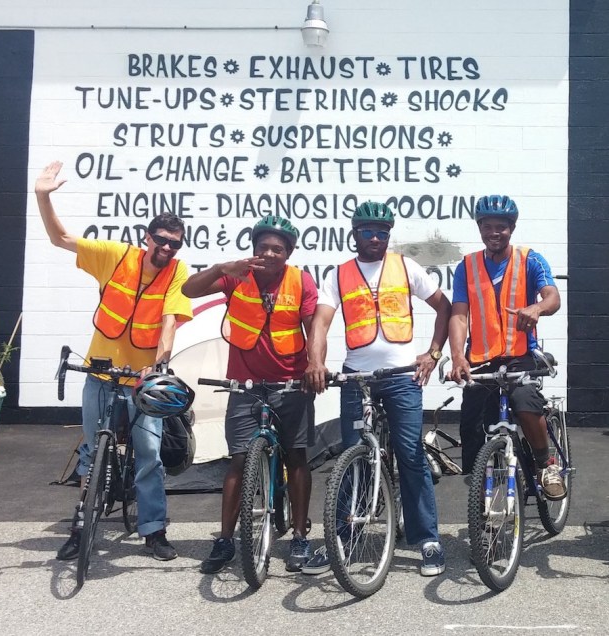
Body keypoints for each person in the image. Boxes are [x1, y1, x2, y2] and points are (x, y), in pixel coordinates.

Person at [34, 161, 193, 561]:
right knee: (91, 452)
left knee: (149, 455)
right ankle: (81, 525)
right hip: (100, 375)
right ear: (147, 237)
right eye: (161, 240)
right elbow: (61, 239)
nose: (167, 248)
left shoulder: (177, 273)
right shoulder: (115, 257)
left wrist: (157, 367)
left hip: (141, 384)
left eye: (175, 243)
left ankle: (153, 531)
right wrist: (42, 195)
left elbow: (170, 322)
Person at [302, 201, 451, 577]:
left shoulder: (406, 267)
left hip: (402, 377)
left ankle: (427, 540)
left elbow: (444, 307)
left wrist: (433, 354)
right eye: (367, 231)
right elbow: (320, 323)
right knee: (353, 458)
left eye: (382, 232)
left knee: (410, 454)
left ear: (389, 235)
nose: (375, 238)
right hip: (357, 378)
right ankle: (342, 540)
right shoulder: (338, 276)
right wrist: (316, 362)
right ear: (355, 234)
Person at [182, 216, 318, 574]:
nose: (269, 253)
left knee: (297, 458)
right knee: (239, 461)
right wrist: (220, 268)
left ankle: (301, 537)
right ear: (254, 249)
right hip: (245, 385)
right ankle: (226, 539)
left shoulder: (301, 280)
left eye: (277, 248)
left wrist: (315, 364)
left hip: (291, 384)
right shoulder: (236, 275)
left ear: (288, 252)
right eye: (263, 247)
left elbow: (312, 325)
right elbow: (188, 291)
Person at [448, 194, 565, 499]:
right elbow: (459, 316)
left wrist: (536, 309)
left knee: (525, 400)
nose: (494, 233)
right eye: (488, 226)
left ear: (511, 228)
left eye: (501, 227)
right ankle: (481, 483)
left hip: (520, 355)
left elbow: (552, 297)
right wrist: (457, 357)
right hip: (482, 358)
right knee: (471, 421)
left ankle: (544, 464)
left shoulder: (530, 260)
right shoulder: (467, 266)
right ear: (480, 228)